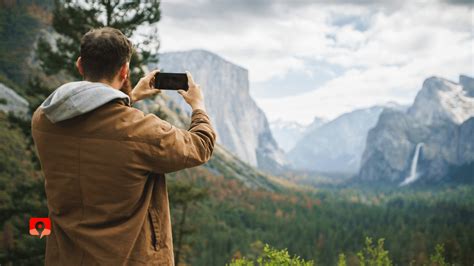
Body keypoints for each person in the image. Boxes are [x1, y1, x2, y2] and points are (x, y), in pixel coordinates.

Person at [31, 27, 216, 265]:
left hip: (66, 257)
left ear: (80, 65)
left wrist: (132, 97)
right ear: (124, 71)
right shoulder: (142, 131)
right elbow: (201, 145)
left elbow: (100, 130)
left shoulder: (43, 120)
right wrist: (198, 106)